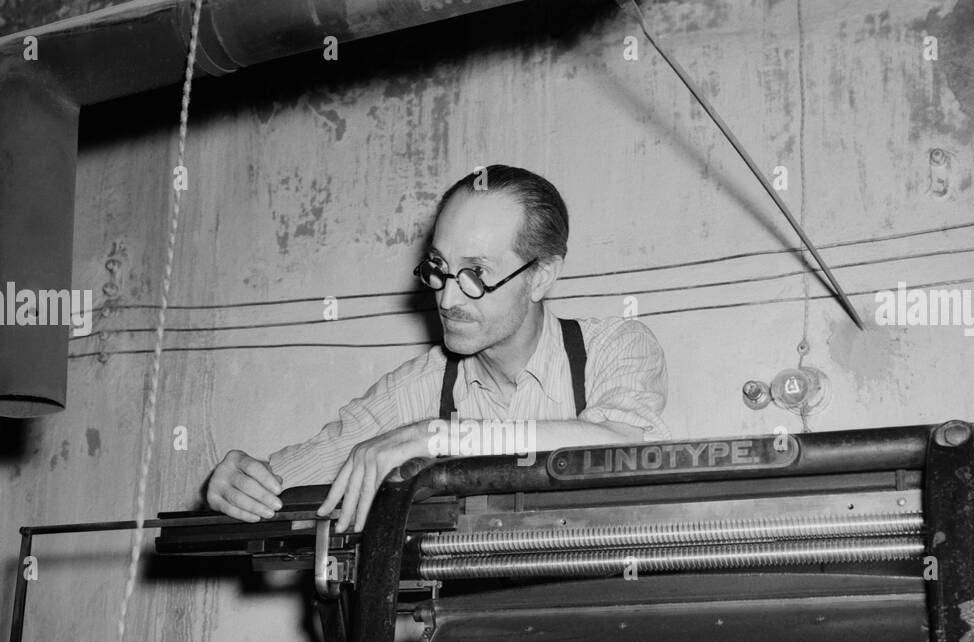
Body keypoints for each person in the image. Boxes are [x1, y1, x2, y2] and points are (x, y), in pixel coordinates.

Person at [206, 164, 669, 533]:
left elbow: (622, 444)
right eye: (439, 269)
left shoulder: (615, 348)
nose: (447, 299)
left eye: (477, 275)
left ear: (541, 276)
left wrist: (441, 436)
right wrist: (237, 483)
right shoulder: (416, 387)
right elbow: (287, 480)